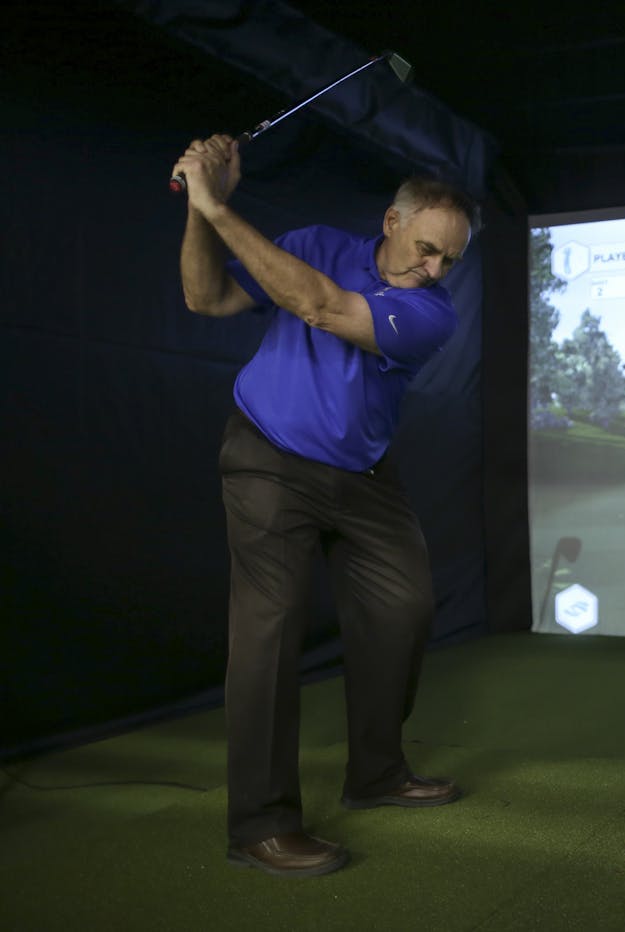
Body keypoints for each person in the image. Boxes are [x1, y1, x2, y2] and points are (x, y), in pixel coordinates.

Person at [172, 134, 477, 877]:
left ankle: (375, 773)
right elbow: (205, 296)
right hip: (268, 459)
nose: (432, 269)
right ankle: (261, 825)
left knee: (404, 610)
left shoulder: (430, 314)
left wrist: (217, 202)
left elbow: (315, 304)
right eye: (427, 248)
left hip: (363, 475)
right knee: (268, 633)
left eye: (448, 261)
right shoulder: (315, 243)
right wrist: (203, 210)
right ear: (392, 222)